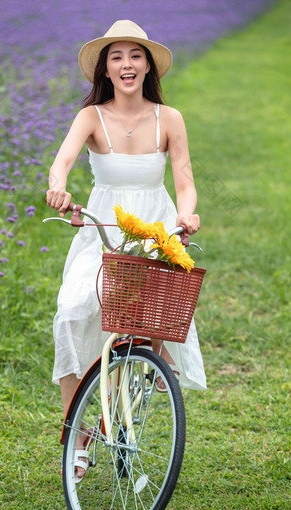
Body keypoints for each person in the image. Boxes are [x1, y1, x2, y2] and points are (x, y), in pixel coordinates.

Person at [46, 19, 207, 481]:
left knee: (150, 307)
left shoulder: (169, 117)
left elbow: (185, 181)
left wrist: (188, 215)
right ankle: (77, 433)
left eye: (135, 55)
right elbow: (61, 165)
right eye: (116, 57)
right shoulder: (91, 117)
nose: (126, 64)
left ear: (148, 65)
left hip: (156, 225)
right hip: (104, 227)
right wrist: (58, 190)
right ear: (105, 70)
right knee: (72, 311)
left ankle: (153, 356)